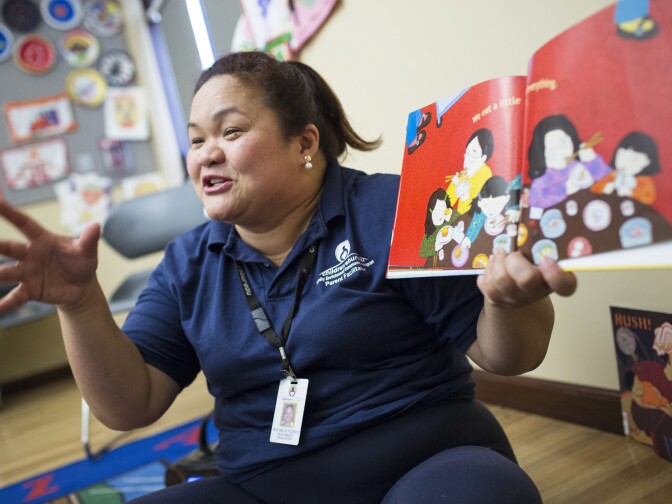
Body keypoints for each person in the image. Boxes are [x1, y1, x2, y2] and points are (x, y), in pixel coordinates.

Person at [0, 51, 577, 503]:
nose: (206, 155)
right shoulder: (187, 263)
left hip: (429, 457)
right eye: (197, 140)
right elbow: (131, 405)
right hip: (265, 485)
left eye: (229, 132)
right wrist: (79, 304)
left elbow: (509, 356)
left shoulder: (395, 209)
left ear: (304, 143)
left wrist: (510, 302)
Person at [527, 114, 611, 210]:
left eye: (564, 143)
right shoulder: (545, 176)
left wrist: (592, 160)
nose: (561, 153)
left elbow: (608, 179)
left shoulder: (577, 164)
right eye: (552, 152)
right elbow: (536, 200)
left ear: (571, 139)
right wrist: (566, 188)